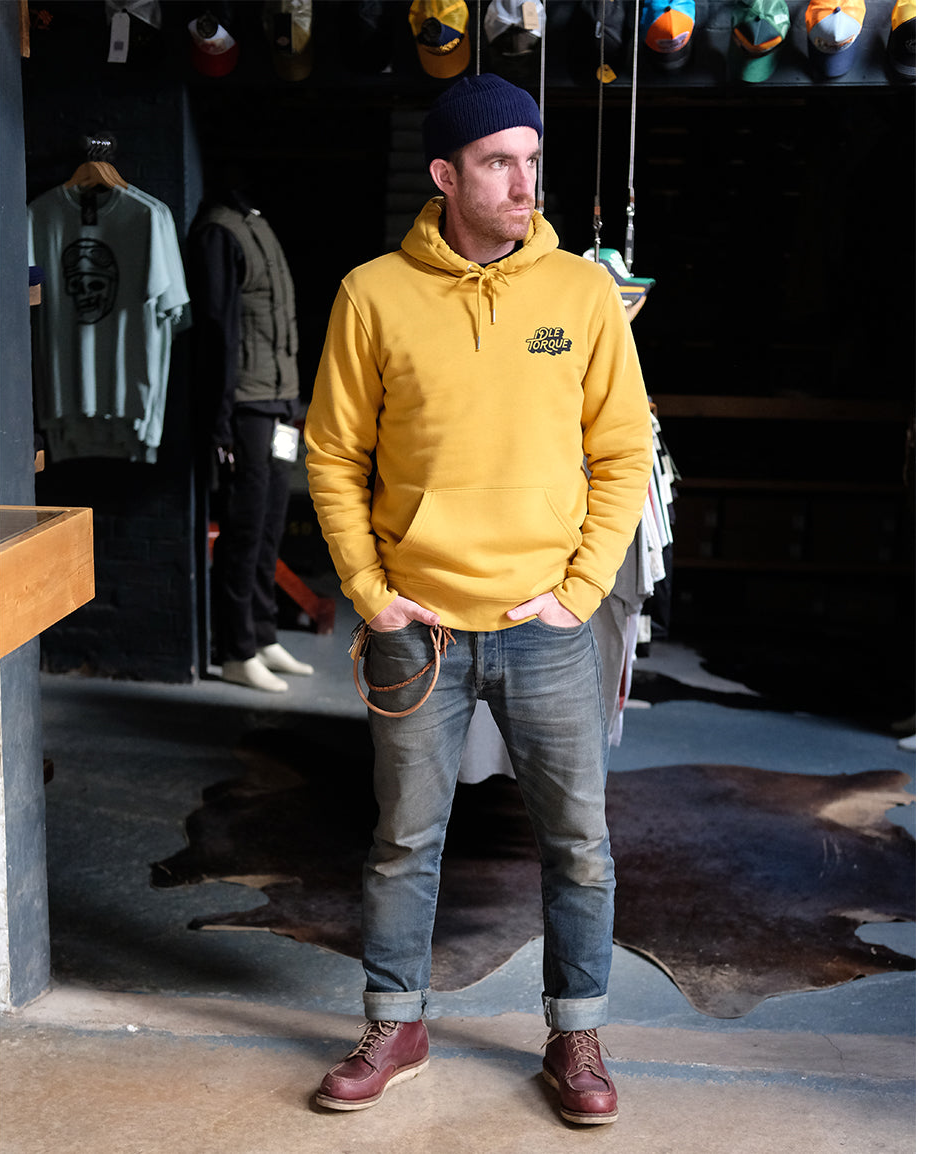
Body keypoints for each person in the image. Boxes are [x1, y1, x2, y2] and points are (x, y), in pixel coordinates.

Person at [303, 73, 653, 1125]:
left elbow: (621, 451)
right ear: (445, 175)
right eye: (498, 162)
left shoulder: (581, 296)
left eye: (531, 161)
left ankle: (575, 1031)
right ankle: (396, 1022)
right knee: (404, 840)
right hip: (419, 628)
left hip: (545, 625)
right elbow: (333, 454)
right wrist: (370, 591)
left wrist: (581, 591)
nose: (522, 183)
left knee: (578, 843)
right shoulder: (372, 294)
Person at [188, 183, 315, 692]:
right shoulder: (219, 232)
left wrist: (294, 402)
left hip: (280, 405)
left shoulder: (255, 221)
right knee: (243, 530)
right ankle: (236, 650)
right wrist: (220, 421)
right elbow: (216, 330)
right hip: (246, 407)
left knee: (269, 525)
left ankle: (263, 635)